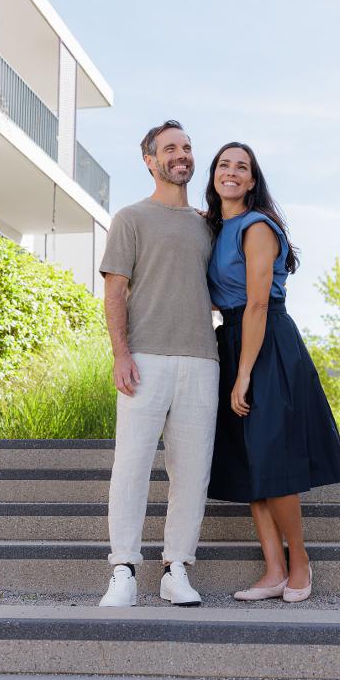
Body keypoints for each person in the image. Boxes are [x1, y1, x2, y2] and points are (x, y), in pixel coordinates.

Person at [205, 141, 340, 603]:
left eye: (241, 167)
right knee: (253, 461)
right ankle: (272, 571)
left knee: (274, 456)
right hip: (232, 339)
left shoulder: (256, 226)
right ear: (214, 175)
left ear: (252, 181)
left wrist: (244, 372)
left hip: (265, 342)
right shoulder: (215, 229)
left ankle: (300, 562)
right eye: (224, 164)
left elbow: (258, 302)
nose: (231, 172)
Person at [97, 120, 219, 608]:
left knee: (191, 472)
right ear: (150, 160)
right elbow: (114, 290)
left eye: (187, 147)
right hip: (144, 359)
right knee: (131, 466)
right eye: (170, 148)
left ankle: (176, 569)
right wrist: (120, 353)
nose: (182, 155)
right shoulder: (131, 218)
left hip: (201, 361)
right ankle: (123, 569)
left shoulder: (211, 224)